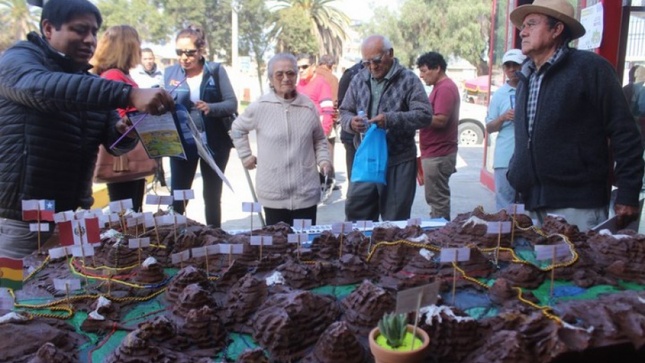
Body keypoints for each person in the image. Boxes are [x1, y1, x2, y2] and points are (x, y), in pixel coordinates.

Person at [0, 0, 174, 258]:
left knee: (76, 291)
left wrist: (128, 129)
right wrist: (130, 94)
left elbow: (115, 146)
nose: (89, 39)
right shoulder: (20, 61)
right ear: (49, 28)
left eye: (94, 32)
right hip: (22, 221)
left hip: (75, 215)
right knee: (11, 292)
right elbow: (43, 89)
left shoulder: (90, 84)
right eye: (80, 30)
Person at [507, 0, 644, 231]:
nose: (524, 32)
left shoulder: (590, 69)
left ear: (557, 30)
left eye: (532, 24)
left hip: (577, 206)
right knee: (532, 267)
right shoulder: (526, 77)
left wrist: (628, 192)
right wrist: (516, 174)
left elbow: (625, 133)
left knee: (574, 267)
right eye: (523, 26)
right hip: (530, 203)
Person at [230, 53, 332, 226]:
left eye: (291, 73)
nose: (286, 78)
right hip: (273, 194)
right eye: (279, 74)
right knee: (277, 248)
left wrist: (324, 161)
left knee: (304, 246)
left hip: (305, 193)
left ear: (296, 76)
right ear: (270, 78)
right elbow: (237, 128)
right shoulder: (260, 106)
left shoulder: (308, 106)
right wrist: (246, 155)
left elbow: (320, 140)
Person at [340, 35, 433, 222]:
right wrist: (351, 123)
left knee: (395, 220)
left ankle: (389, 252)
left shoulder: (409, 80)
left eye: (376, 60)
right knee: (357, 216)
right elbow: (344, 111)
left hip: (398, 160)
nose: (372, 67)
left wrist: (390, 119)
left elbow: (424, 115)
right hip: (366, 159)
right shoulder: (359, 79)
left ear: (390, 53)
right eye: (366, 63)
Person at [163, 25, 238, 228]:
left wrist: (211, 107)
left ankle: (214, 238)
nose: (184, 57)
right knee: (179, 195)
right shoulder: (170, 73)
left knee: (212, 195)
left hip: (214, 143)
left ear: (201, 50)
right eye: (179, 52)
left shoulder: (215, 71)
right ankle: (176, 237)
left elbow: (232, 103)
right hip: (182, 144)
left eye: (190, 52)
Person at [90, 25, 158, 212]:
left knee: (132, 213)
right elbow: (116, 119)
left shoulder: (120, 74)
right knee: (126, 216)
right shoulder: (113, 76)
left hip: (130, 158)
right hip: (123, 160)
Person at [416, 51, 459, 221]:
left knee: (437, 200)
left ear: (437, 68)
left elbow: (441, 120)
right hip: (435, 152)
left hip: (439, 153)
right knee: (435, 199)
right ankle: (438, 229)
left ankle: (440, 235)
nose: (421, 75)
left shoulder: (445, 88)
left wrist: (416, 118)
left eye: (425, 71)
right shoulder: (439, 88)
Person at [485, 49, 526, 211]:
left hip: (527, 159)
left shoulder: (532, 89)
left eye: (515, 65)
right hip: (505, 158)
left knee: (526, 208)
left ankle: (523, 237)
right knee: (504, 207)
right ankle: (504, 237)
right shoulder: (500, 95)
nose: (511, 69)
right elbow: (489, 127)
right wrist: (502, 117)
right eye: (507, 66)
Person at [297, 54, 336, 189]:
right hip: (300, 134)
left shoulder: (321, 83)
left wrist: (323, 133)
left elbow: (328, 110)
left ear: (313, 67)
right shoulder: (299, 84)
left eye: (304, 67)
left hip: (317, 133)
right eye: (298, 68)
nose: (301, 70)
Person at [316, 54, 340, 187]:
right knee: (328, 149)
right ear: (330, 66)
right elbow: (334, 101)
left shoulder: (310, 75)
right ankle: (328, 179)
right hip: (326, 118)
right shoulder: (332, 78)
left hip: (307, 118)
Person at [338, 61, 363, 181]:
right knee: (355, 181)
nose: (373, 66)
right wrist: (351, 121)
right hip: (352, 137)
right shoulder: (351, 74)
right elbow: (342, 108)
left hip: (376, 140)